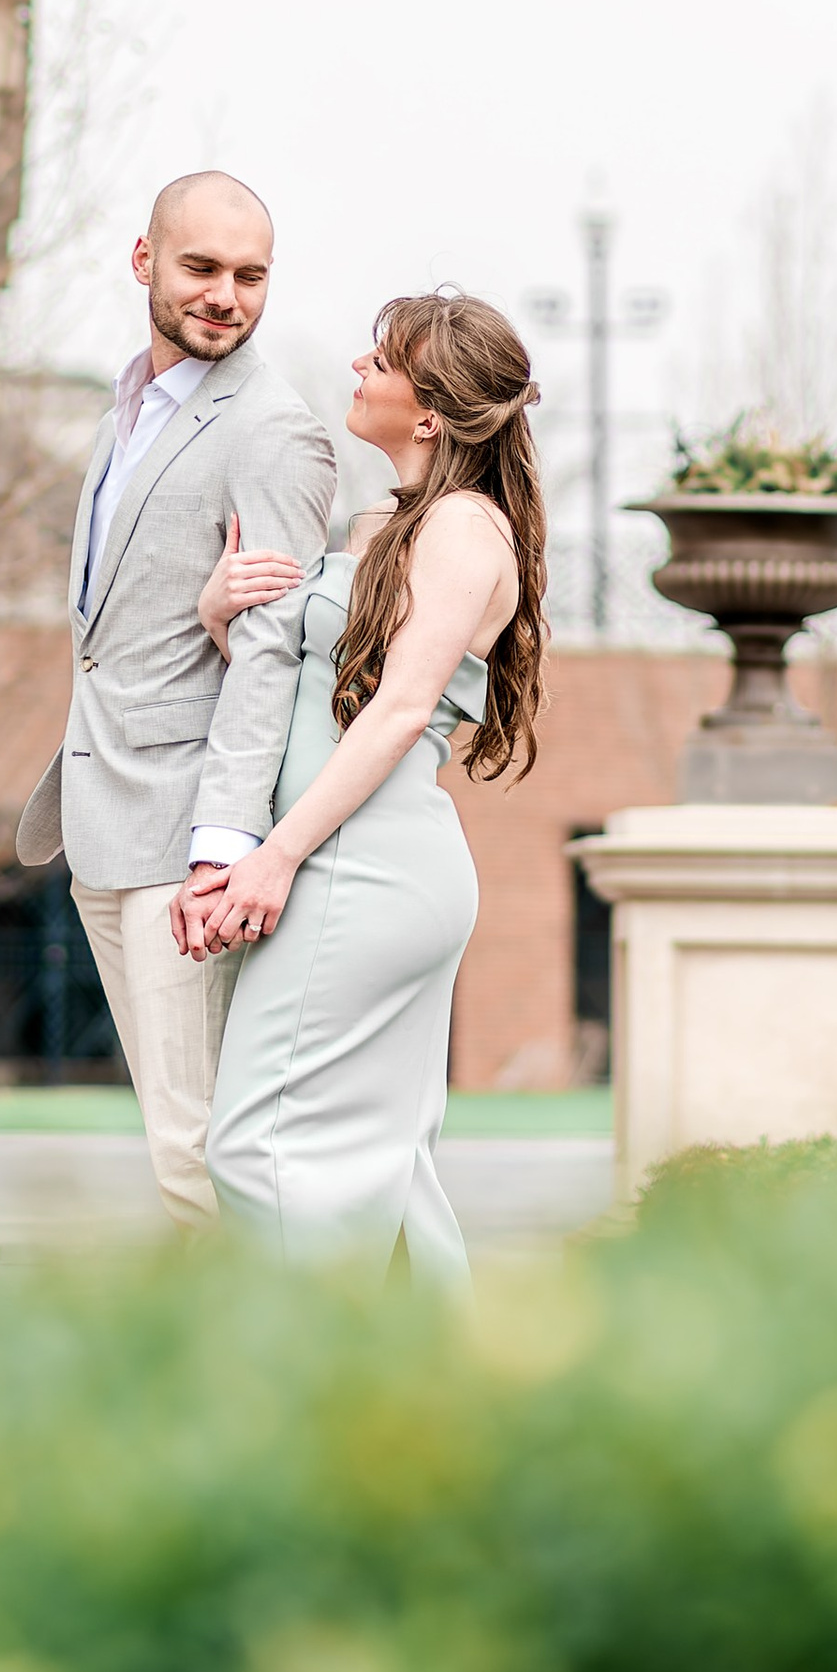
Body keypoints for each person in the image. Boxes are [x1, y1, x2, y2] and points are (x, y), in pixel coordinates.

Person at [178, 290, 547, 1286]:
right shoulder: (384, 518)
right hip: (348, 860)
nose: (356, 367)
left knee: (254, 1146)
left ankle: (318, 1390)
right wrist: (222, 618)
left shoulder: (465, 530)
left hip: (360, 870)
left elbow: (395, 712)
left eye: (380, 360)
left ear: (428, 409)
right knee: (387, 1165)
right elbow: (317, 692)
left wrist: (274, 856)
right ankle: (431, 1395)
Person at [14, 171, 334, 1225]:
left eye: (250, 276)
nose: (225, 296)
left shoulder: (271, 429)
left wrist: (220, 848)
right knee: (178, 1141)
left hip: (186, 845)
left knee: (201, 1154)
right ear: (145, 259)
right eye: (201, 267)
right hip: (106, 826)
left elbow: (272, 652)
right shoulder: (128, 413)